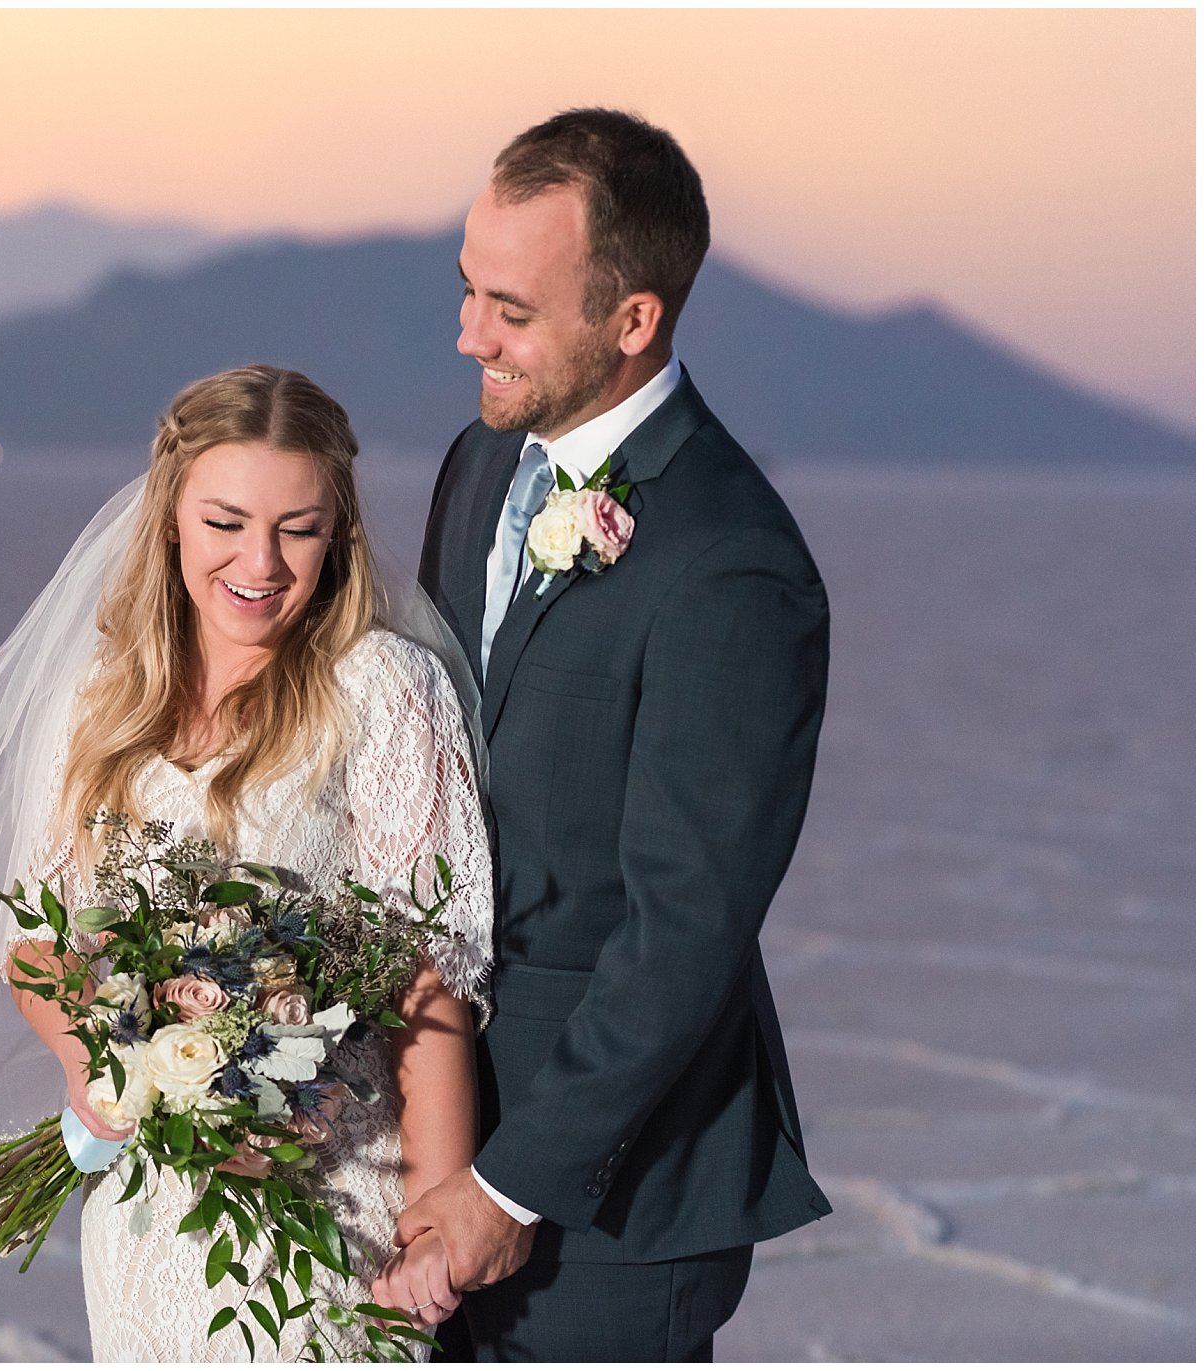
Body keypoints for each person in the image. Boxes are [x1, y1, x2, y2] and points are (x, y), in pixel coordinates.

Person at [0, 364, 496, 1361]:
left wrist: (433, 1227)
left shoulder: (379, 688)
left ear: (339, 533)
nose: (262, 562)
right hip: (147, 1212)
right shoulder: (96, 701)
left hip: (330, 1212)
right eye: (226, 521)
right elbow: (36, 944)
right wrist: (106, 1067)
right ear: (169, 518)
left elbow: (429, 985)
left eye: (299, 527)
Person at [374, 109, 834, 1361]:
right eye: (466, 290)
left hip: (608, 1202)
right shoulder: (478, 464)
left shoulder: (733, 565)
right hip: (427, 1135)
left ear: (632, 321)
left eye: (510, 311)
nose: (468, 334)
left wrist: (508, 1185)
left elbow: (683, 925)